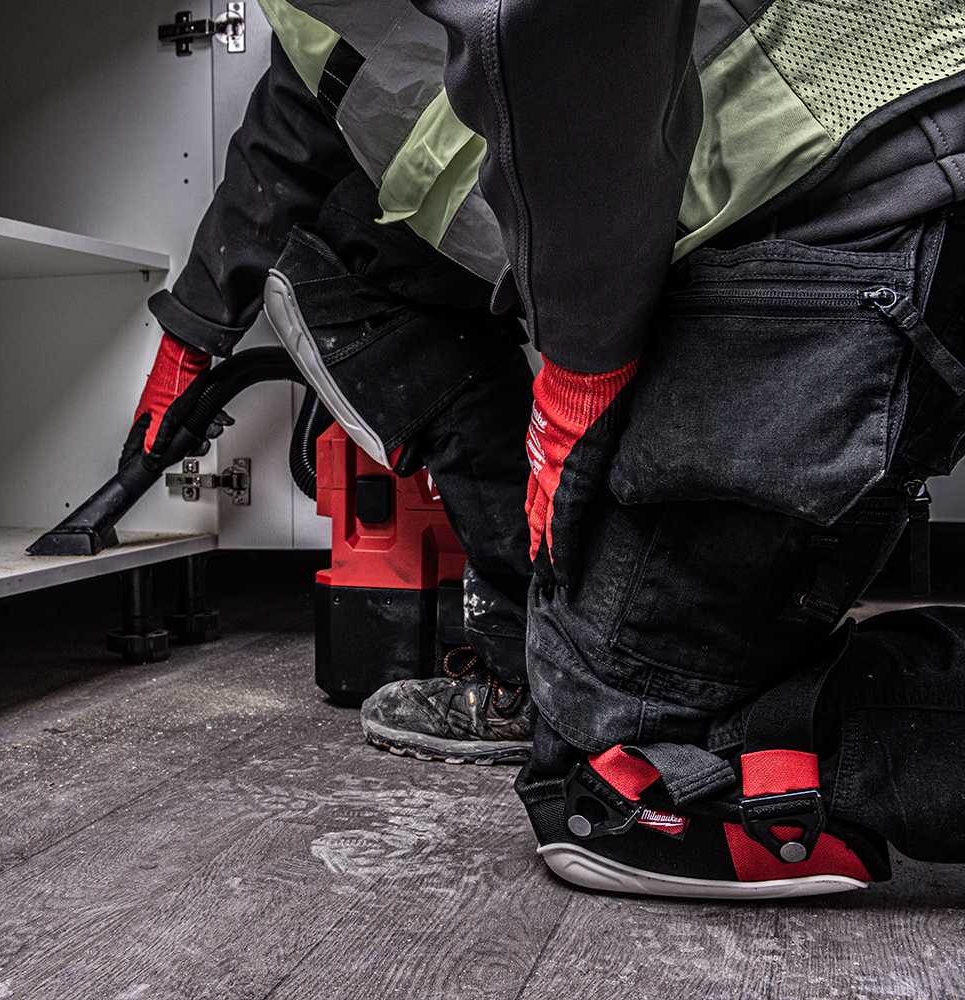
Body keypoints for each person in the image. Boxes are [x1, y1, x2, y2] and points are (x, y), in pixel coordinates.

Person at [252, 0, 965, 899]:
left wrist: (580, 366)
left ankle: (644, 700)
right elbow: (275, 141)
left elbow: (559, 22)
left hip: (861, 171)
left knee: (619, 770)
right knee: (603, 721)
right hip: (827, 169)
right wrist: (189, 332)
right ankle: (564, 647)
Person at [122, 35, 537, 765]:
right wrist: (191, 333)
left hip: (600, 195)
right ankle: (580, 672)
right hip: (666, 186)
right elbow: (295, 120)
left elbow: (290, 132)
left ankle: (529, 686)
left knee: (351, 241)